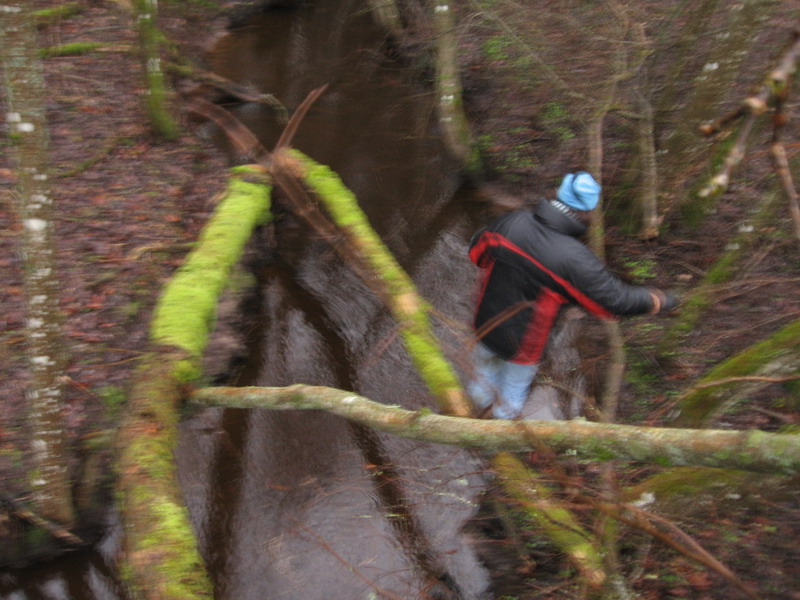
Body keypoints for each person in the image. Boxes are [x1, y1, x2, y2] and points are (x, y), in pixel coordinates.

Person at [467, 171, 677, 420]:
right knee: (512, 395)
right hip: (523, 348)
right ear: (588, 212)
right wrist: (656, 300)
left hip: (484, 326)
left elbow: (476, 253)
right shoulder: (576, 261)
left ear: (558, 195)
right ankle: (495, 433)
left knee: (482, 378)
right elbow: (613, 303)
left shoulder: (512, 222)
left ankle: (471, 414)